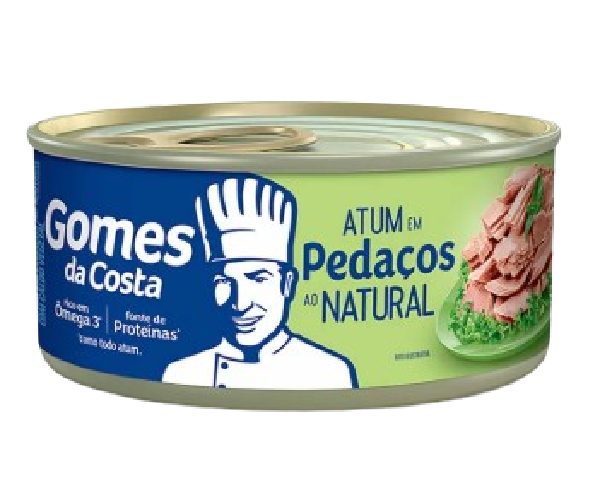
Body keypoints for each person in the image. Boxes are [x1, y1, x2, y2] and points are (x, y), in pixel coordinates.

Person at [162, 176, 358, 390]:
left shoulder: (329, 374)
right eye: (224, 281)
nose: (240, 304)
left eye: (258, 278)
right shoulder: (181, 374)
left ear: (288, 284)